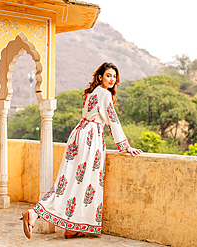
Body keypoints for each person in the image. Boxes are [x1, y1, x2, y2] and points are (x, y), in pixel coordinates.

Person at [22, 62, 142, 239]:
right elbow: (113, 120)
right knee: (86, 182)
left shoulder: (91, 93)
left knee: (69, 181)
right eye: (108, 75)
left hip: (79, 135)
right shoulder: (105, 94)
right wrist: (125, 146)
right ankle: (35, 213)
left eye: (114, 76)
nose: (112, 79)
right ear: (100, 76)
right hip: (91, 138)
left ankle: (71, 227)